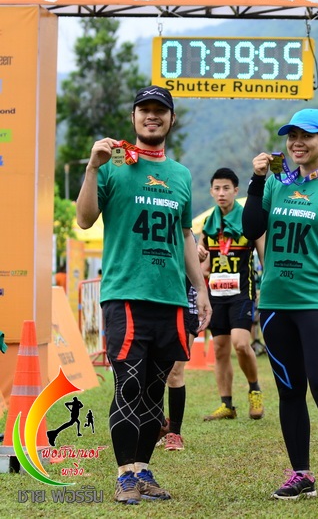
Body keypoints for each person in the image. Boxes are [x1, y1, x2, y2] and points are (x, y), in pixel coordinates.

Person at [75, 85, 211, 505]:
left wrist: (200, 289)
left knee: (155, 390)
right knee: (129, 385)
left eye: (160, 110)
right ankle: (124, 476)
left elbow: (185, 236)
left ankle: (143, 469)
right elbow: (84, 219)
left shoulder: (181, 175)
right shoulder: (113, 163)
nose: (152, 116)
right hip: (126, 294)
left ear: (171, 119)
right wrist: (92, 169)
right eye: (144, 110)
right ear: (133, 117)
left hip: (170, 298)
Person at [243, 108, 318, 504]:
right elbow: (251, 228)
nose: (297, 143)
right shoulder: (276, 184)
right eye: (292, 136)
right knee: (290, 392)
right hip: (275, 305)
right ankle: (301, 474)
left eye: (307, 136)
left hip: (317, 305)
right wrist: (257, 181)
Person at [198, 167, 266, 421]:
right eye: (216, 188)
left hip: (242, 293)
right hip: (216, 294)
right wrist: (198, 255)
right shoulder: (208, 224)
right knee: (219, 349)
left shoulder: (249, 220)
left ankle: (254, 389)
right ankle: (226, 404)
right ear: (211, 191)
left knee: (241, 344)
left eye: (226, 188)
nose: (221, 193)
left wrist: (266, 287)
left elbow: (265, 258)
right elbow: (203, 267)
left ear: (236, 191)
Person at [157, 278, 199, 452]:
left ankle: (174, 432)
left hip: (185, 304)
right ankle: (159, 424)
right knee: (154, 371)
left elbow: (202, 268)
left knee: (174, 371)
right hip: (156, 301)